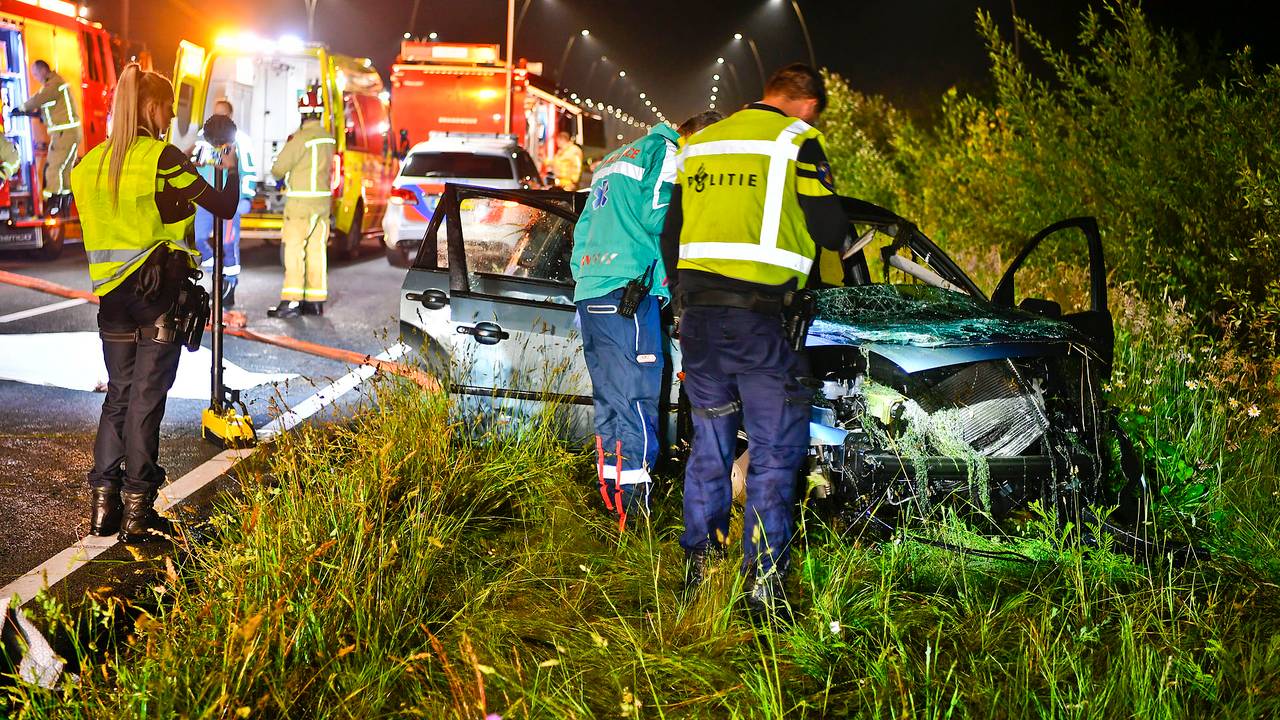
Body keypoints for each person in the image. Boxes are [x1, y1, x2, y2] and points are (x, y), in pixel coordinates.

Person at [661, 64, 848, 618]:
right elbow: (832, 232)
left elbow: (671, 232)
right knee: (773, 454)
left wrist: (682, 296)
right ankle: (763, 589)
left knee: (711, 445)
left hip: (698, 322)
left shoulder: (702, 142)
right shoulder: (799, 140)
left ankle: (698, 570)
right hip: (761, 324)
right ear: (808, 104)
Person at [70, 65, 239, 543]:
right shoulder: (160, 158)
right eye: (167, 107)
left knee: (118, 397)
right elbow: (223, 205)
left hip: (112, 301)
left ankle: (103, 508)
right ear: (149, 107)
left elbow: (132, 206)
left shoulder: (89, 165)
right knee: (146, 400)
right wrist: (231, 158)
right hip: (158, 296)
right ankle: (139, 513)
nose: (169, 117)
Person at [571, 111, 724, 531]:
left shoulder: (613, 159)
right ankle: (636, 519)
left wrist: (588, 278)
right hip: (628, 295)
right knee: (637, 405)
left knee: (610, 405)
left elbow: (581, 232)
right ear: (695, 137)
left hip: (593, 293)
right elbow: (662, 218)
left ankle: (612, 506)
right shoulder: (669, 153)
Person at [268, 88, 334, 318]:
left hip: (300, 205)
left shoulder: (300, 139)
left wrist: (278, 177)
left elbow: (279, 168)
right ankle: (315, 302)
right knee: (317, 251)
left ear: (303, 113)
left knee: (294, 251)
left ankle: (291, 301)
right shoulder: (328, 138)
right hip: (322, 204)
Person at [191, 98, 258, 307]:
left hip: (229, 200)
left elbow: (248, 170)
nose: (218, 118)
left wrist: (245, 197)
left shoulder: (241, 141)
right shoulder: (203, 138)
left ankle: (229, 285)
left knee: (228, 244)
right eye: (215, 113)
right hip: (205, 198)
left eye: (223, 114)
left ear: (230, 117)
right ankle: (216, 275)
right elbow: (194, 165)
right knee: (198, 238)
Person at [18, 60, 82, 215]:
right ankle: (65, 205)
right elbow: (49, 108)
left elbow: (40, 99)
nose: (35, 77)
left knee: (52, 169)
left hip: (64, 134)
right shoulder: (57, 83)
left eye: (35, 73)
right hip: (70, 133)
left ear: (43, 70)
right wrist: (34, 113)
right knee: (64, 171)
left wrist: (21, 108)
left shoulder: (53, 84)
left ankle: (53, 205)